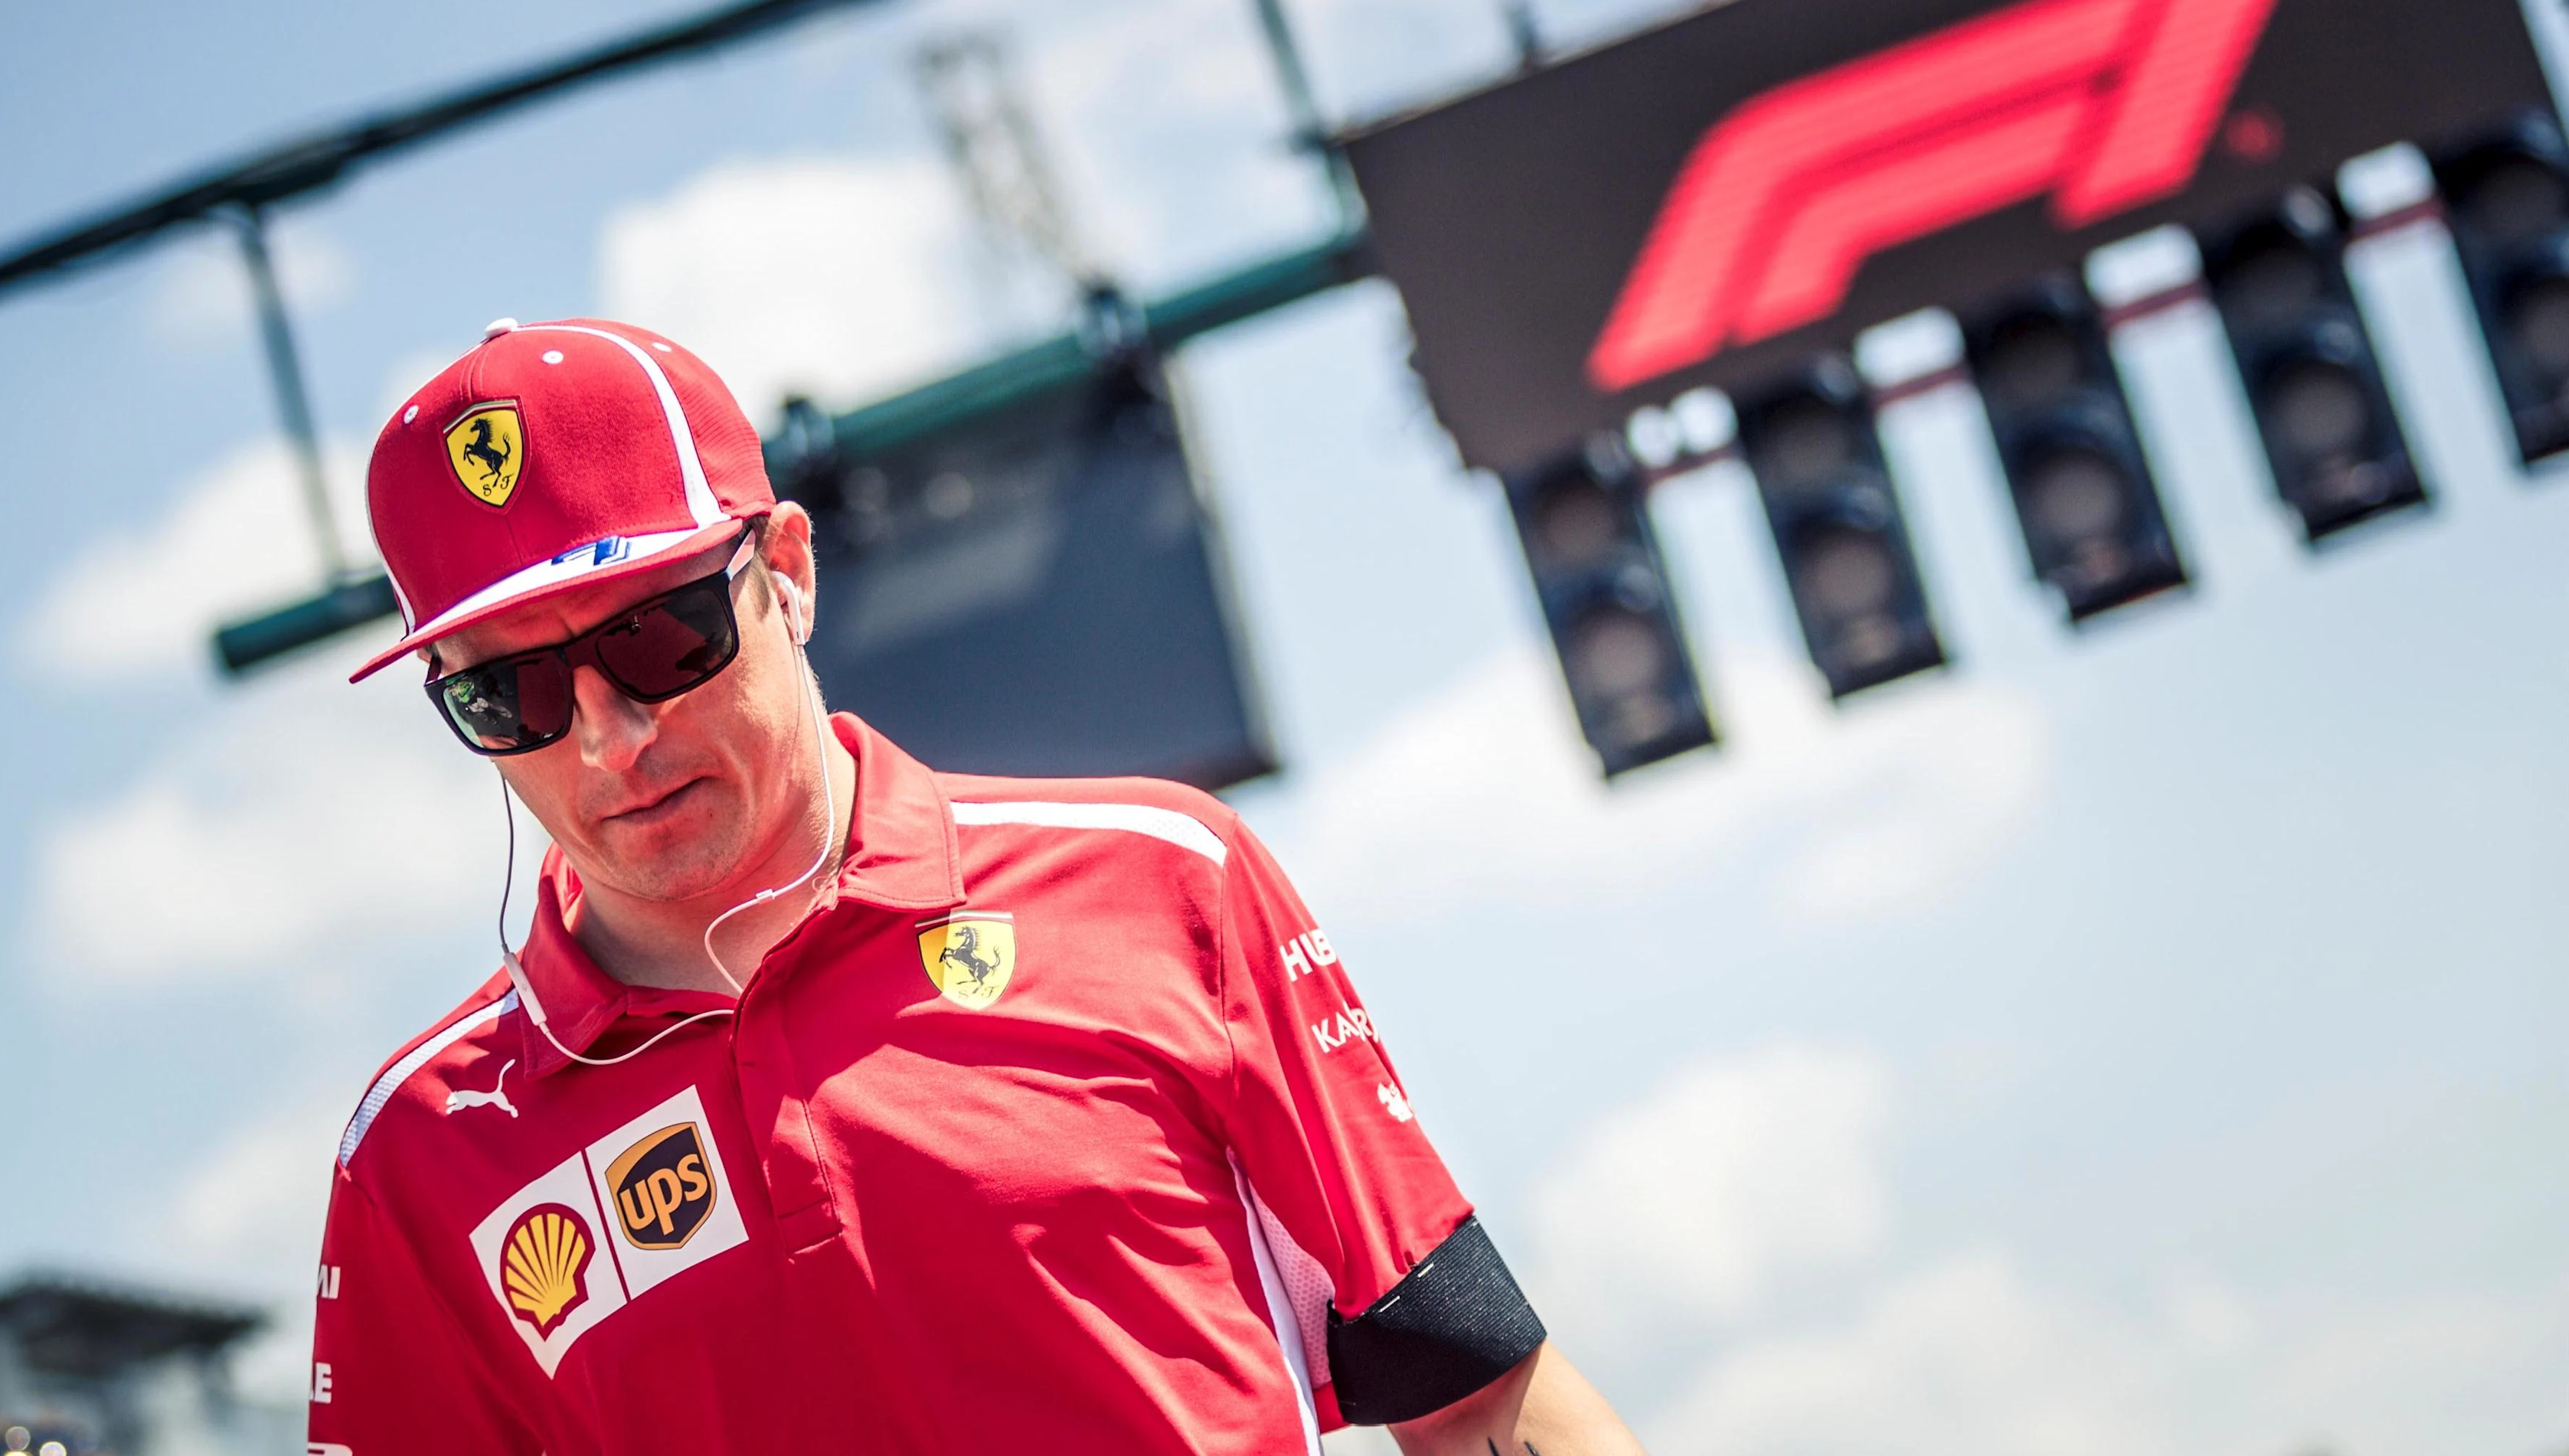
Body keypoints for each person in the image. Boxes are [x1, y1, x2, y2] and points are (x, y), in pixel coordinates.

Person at [309, 317, 1644, 1454]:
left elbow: (1475, 1401)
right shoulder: (416, 1156)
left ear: (785, 572)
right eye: (512, 692)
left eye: (657, 636)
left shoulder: (1163, 880)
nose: (605, 739)